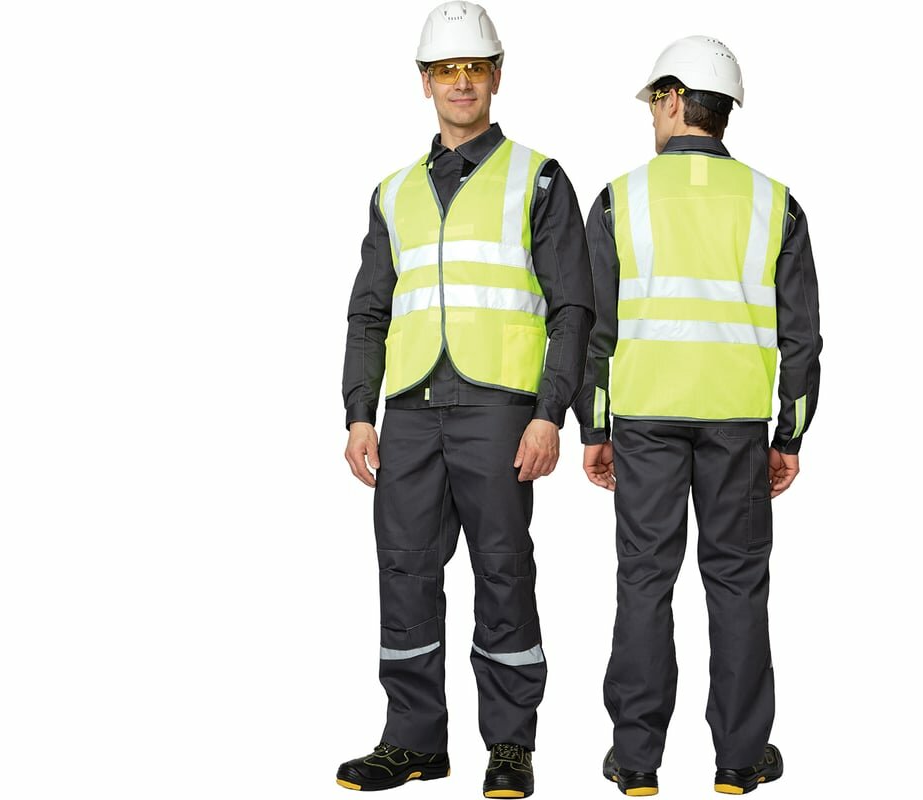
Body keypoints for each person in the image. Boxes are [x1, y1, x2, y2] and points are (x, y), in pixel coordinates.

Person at [336, 3, 593, 796]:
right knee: (405, 570)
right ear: (424, 82)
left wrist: (550, 412)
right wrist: (358, 413)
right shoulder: (392, 192)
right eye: (445, 70)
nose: (461, 82)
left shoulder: (538, 178)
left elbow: (573, 308)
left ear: (497, 77)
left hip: (499, 409)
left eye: (474, 68)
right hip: (410, 411)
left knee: (503, 570)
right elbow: (369, 311)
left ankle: (510, 745)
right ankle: (412, 741)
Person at [573, 35, 822, 797]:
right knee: (738, 585)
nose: (652, 115)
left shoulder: (620, 198)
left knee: (645, 581)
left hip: (644, 417)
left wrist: (595, 428)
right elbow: (802, 337)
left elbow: (594, 329)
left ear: (676, 99)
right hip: (737, 423)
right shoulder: (776, 203)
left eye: (655, 101)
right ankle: (740, 761)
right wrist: (790, 434)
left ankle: (636, 761)